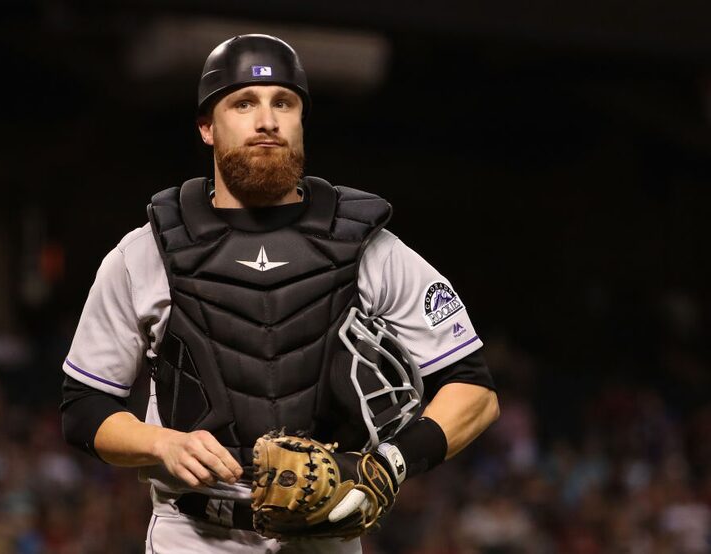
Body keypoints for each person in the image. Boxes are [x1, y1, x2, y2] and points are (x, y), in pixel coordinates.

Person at [60, 34, 500, 553]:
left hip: (326, 530)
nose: (266, 120)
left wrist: (390, 463)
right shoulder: (145, 253)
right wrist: (161, 443)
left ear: (300, 122)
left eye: (283, 103)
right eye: (243, 102)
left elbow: (474, 390)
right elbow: (84, 408)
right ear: (207, 127)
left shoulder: (367, 247)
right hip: (197, 534)